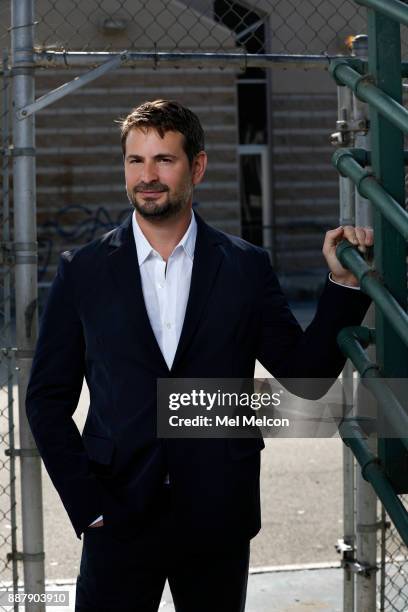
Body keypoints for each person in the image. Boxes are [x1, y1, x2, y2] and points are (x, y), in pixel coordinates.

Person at [26, 99, 372, 612]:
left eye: (164, 160)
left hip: (217, 512)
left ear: (198, 167)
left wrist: (342, 286)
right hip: (116, 513)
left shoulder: (245, 267)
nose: (148, 176)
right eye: (135, 160)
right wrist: (87, 505)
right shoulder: (83, 271)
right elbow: (46, 400)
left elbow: (306, 376)